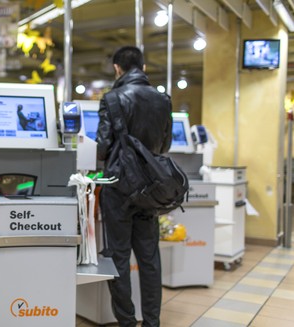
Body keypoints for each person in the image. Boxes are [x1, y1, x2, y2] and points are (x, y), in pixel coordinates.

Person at [96, 46, 172, 327]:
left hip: (119, 188)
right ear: (144, 67)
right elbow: (164, 146)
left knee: (118, 257)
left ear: (117, 68)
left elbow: (103, 148)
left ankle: (126, 322)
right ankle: (152, 323)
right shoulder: (163, 100)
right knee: (150, 258)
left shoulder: (113, 99)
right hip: (151, 188)